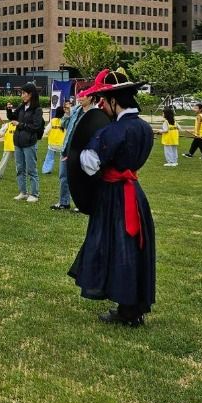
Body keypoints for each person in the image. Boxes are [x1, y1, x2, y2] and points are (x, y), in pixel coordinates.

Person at [69, 70, 155, 327]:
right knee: (134, 248)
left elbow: (89, 163)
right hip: (134, 194)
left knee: (118, 248)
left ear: (114, 101)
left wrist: (80, 153)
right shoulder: (144, 128)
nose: (102, 106)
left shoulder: (114, 131)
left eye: (104, 101)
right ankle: (133, 307)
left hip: (114, 196)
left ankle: (127, 310)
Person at [52, 90, 92, 211]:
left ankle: (82, 204)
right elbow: (63, 125)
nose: (80, 98)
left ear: (90, 97)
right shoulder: (75, 110)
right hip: (67, 149)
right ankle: (64, 202)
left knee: (80, 178)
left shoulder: (94, 113)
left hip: (81, 151)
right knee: (63, 176)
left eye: (83, 96)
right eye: (79, 96)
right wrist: (67, 114)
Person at [6, 83, 45, 202]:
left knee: (31, 170)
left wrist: (20, 124)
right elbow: (12, 117)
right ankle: (23, 192)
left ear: (30, 94)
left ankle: (34, 194)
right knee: (20, 169)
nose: (22, 95)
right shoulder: (21, 107)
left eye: (24, 93)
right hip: (18, 143)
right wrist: (9, 110)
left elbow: (36, 127)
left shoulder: (37, 110)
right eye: (21, 93)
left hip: (29, 143)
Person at [41, 106, 66, 174]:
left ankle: (46, 170)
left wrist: (42, 136)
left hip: (52, 144)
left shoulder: (53, 121)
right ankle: (63, 170)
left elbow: (46, 131)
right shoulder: (65, 121)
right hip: (62, 144)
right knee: (63, 158)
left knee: (49, 157)